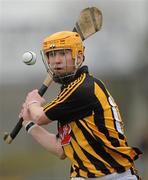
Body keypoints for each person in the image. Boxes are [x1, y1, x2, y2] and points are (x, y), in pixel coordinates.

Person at [19, 31, 142, 180]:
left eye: (62, 54)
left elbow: (40, 117)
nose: (56, 60)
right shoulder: (68, 93)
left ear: (78, 57)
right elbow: (60, 149)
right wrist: (28, 124)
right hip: (82, 176)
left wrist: (33, 101)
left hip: (116, 175)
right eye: (51, 55)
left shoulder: (83, 88)